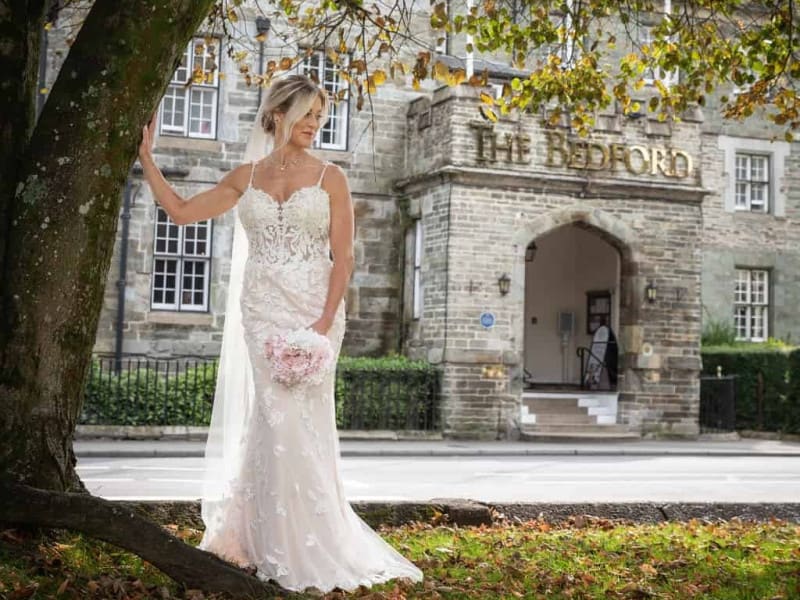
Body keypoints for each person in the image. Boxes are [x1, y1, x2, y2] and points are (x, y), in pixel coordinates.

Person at [138, 73, 423, 593]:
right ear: (278, 115)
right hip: (263, 309)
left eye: (321, 115)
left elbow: (345, 258)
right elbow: (180, 212)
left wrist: (322, 322)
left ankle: (308, 540)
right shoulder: (245, 177)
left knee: (302, 423)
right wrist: (148, 160)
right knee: (271, 418)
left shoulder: (330, 177)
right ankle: (257, 536)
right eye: (308, 114)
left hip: (316, 309)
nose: (316, 123)